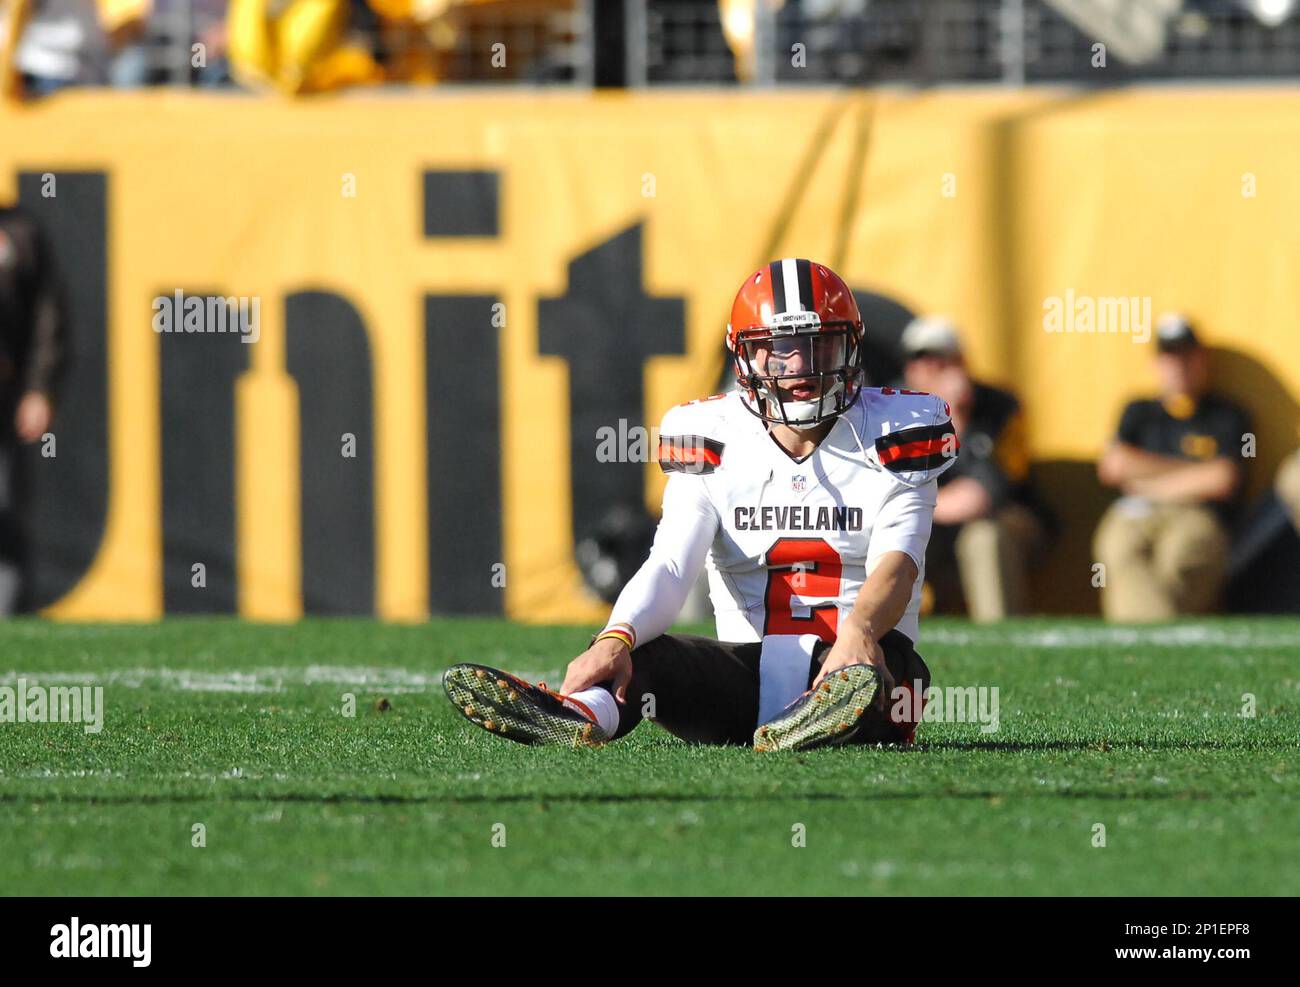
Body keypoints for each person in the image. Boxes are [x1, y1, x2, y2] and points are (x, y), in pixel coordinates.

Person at [445, 259, 958, 751]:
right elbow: (670, 562)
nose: (799, 367)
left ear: (850, 350)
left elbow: (900, 563)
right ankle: (584, 713)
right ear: (746, 359)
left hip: (866, 665)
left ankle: (829, 714)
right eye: (780, 349)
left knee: (875, 676)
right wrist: (613, 639)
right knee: (643, 655)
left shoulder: (898, 431)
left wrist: (860, 633)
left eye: (818, 347)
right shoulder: (712, 436)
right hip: (746, 680)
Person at [1094, 315, 1249, 622]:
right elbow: (1113, 466)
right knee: (1119, 544)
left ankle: (1143, 637)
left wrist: (1149, 481)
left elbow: (1222, 478)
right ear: (1157, 364)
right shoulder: (1138, 411)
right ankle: (1161, 633)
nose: (1179, 366)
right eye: (1170, 357)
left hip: (1195, 513)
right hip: (1138, 511)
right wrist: (1191, 473)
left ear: (1202, 359)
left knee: (1182, 554)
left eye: (1186, 356)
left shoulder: (1226, 415)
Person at [900, 316, 1047, 621]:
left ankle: (1000, 639)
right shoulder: (892, 409)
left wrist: (956, 418)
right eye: (920, 359)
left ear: (962, 364)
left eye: (942, 361)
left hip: (1005, 514)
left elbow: (986, 492)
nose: (930, 370)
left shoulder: (999, 406)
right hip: (928, 516)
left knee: (984, 538)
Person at [0, 203, 66, 613]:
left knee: (3, 507)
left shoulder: (20, 232)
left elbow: (47, 312)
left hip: (4, 393)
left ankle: (6, 617)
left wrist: (39, 388)